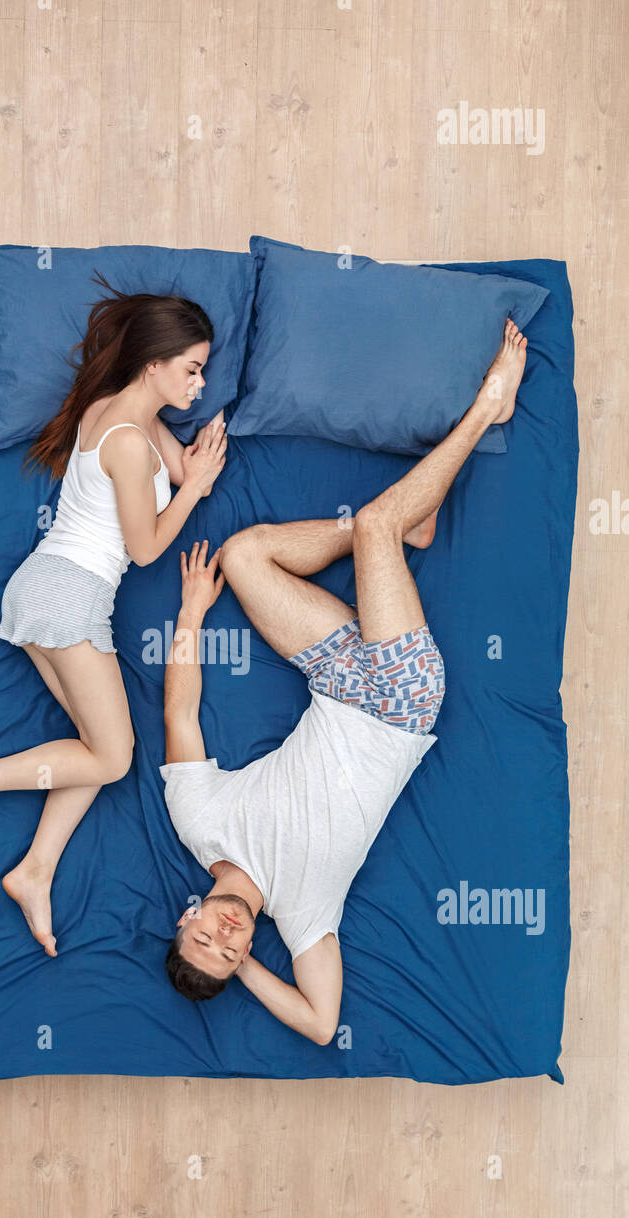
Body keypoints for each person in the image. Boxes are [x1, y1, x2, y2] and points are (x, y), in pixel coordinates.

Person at [160, 318, 528, 1043]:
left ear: (187, 916)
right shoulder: (305, 917)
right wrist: (250, 973)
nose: (226, 935)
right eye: (230, 952)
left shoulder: (197, 826)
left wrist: (190, 614)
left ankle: (412, 524)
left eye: (205, 938)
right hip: (397, 704)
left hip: (332, 679)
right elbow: (322, 1025)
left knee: (241, 557)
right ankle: (490, 409)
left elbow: (181, 716)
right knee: (372, 529)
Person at [0, 273, 228, 958]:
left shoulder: (115, 411)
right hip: (74, 596)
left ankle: (36, 869)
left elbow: (171, 451)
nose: (201, 385)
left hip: (42, 589)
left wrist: (189, 460)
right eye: (193, 369)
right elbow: (144, 550)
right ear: (154, 361)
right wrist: (194, 489)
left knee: (89, 748)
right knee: (112, 757)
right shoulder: (131, 442)